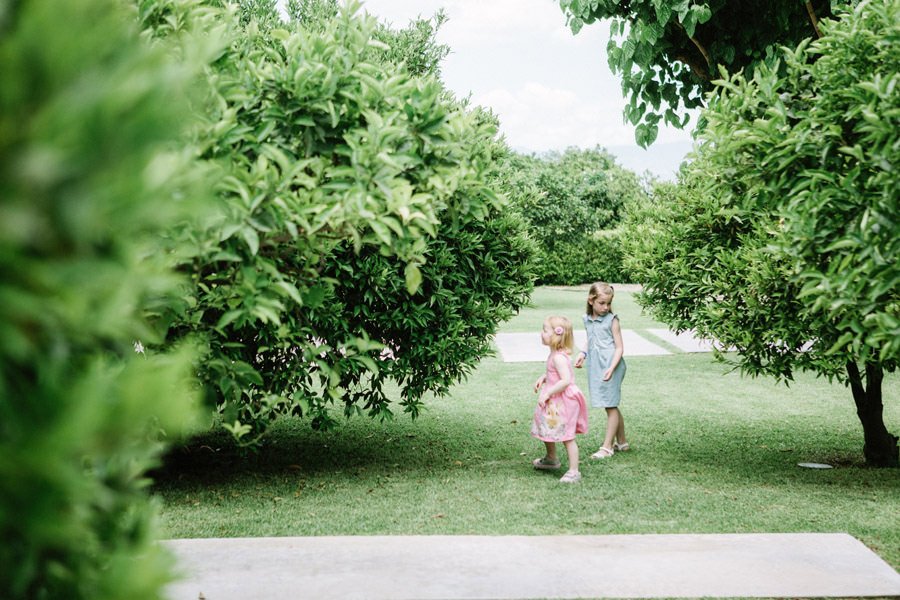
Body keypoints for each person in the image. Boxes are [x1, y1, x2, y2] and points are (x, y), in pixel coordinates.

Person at [531, 316, 589, 483]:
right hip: (554, 401)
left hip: (563, 401)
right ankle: (551, 458)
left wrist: (547, 393)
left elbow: (565, 380)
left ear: (556, 335)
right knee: (547, 428)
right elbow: (554, 373)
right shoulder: (555, 354)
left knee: (566, 435)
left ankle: (574, 471)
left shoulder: (558, 357)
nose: (541, 333)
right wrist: (544, 378)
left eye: (545, 330)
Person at [575, 282, 629, 459]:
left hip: (611, 365)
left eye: (608, 303)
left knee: (610, 405)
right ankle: (622, 441)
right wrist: (583, 353)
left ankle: (607, 447)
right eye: (602, 303)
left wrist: (611, 368)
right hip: (597, 365)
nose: (606, 307)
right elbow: (591, 339)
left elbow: (620, 348)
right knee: (610, 403)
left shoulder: (612, 321)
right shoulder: (587, 319)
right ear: (591, 301)